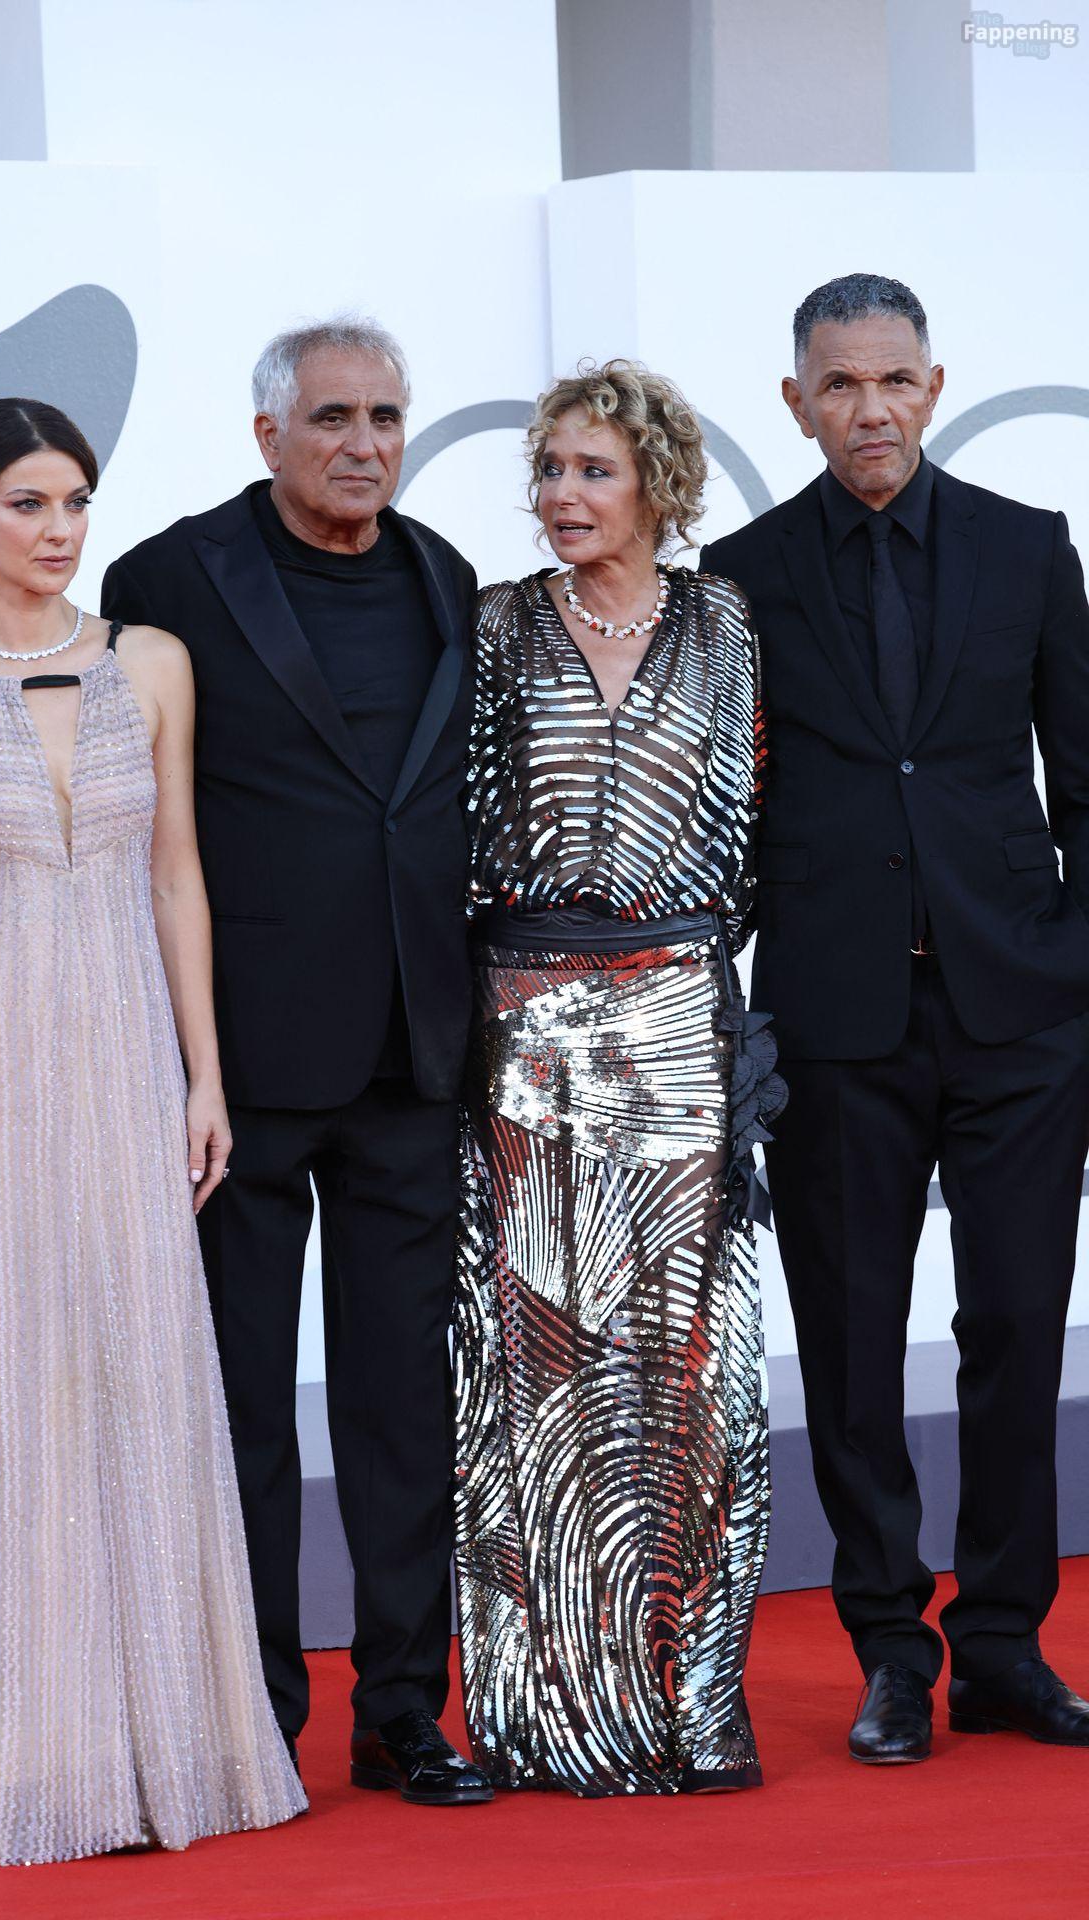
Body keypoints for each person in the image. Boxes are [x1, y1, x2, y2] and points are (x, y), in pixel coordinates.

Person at [0, 321, 492, 1807]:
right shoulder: (171, 581)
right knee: (232, 1412)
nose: (365, 442)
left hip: (414, 1050)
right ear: (266, 433)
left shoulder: (445, 573)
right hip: (231, 1065)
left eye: (387, 416)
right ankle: (251, 1717)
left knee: (404, 1408)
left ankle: (405, 1711)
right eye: (334, 417)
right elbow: (82, 767)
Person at [0, 400, 305, 1868]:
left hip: (119, 1060)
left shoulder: (151, 663)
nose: (57, 530)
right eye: (27, 503)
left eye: (75, 501)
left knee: (139, 1383)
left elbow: (177, 879)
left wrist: (204, 1078)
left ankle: (161, 1746)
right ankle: (20, 1760)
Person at [700, 273, 1089, 1763]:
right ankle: (889, 1653)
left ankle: (1002, 1644)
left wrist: (1072, 970)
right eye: (840, 385)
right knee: (854, 1345)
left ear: (934, 386)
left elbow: (1084, 775)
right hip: (835, 1012)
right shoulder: (738, 578)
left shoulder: (1026, 547)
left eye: (894, 380)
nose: (871, 409)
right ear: (795, 402)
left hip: (1018, 1011)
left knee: (1017, 1329)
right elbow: (724, 801)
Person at [454, 361, 783, 1796]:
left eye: (592, 469)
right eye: (548, 470)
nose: (562, 495)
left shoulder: (727, 626)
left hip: (678, 1022)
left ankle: (694, 1701)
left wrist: (685, 975)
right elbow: (459, 829)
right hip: (524, 1027)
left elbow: (755, 829)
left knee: (690, 1361)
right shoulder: (493, 627)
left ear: (656, 480)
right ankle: (544, 1712)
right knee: (533, 1355)